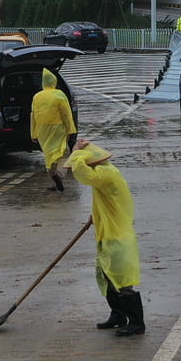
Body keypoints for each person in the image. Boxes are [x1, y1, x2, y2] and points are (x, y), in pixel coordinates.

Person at [66, 139, 144, 336]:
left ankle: (136, 322)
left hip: (118, 236)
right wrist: (97, 215)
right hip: (107, 233)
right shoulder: (103, 175)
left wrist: (76, 153)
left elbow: (82, 174)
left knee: (122, 279)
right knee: (107, 276)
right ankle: (118, 315)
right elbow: (106, 200)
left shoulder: (107, 173)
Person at [31, 69, 77, 191]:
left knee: (49, 155)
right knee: (63, 153)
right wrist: (70, 129)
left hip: (42, 130)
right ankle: (59, 174)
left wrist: (34, 133)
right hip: (57, 128)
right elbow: (66, 114)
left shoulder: (37, 96)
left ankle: (53, 179)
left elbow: (33, 115)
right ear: (54, 81)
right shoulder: (59, 94)